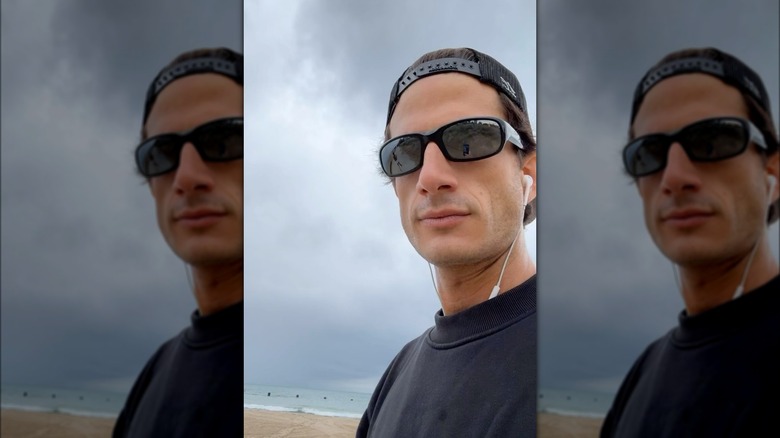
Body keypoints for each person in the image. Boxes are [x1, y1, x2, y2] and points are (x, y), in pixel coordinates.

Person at [357, 48, 537, 437]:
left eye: (469, 139)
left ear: (528, 170)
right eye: (405, 153)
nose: (431, 176)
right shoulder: (398, 375)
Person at [602, 47, 780, 436]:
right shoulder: (644, 374)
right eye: (650, 153)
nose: (675, 176)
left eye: (712, 140)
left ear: (772, 168)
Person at [113, 47, 244, 437]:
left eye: (223, 140)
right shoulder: (158, 369)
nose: (187, 177)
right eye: (162, 153)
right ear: (150, 183)